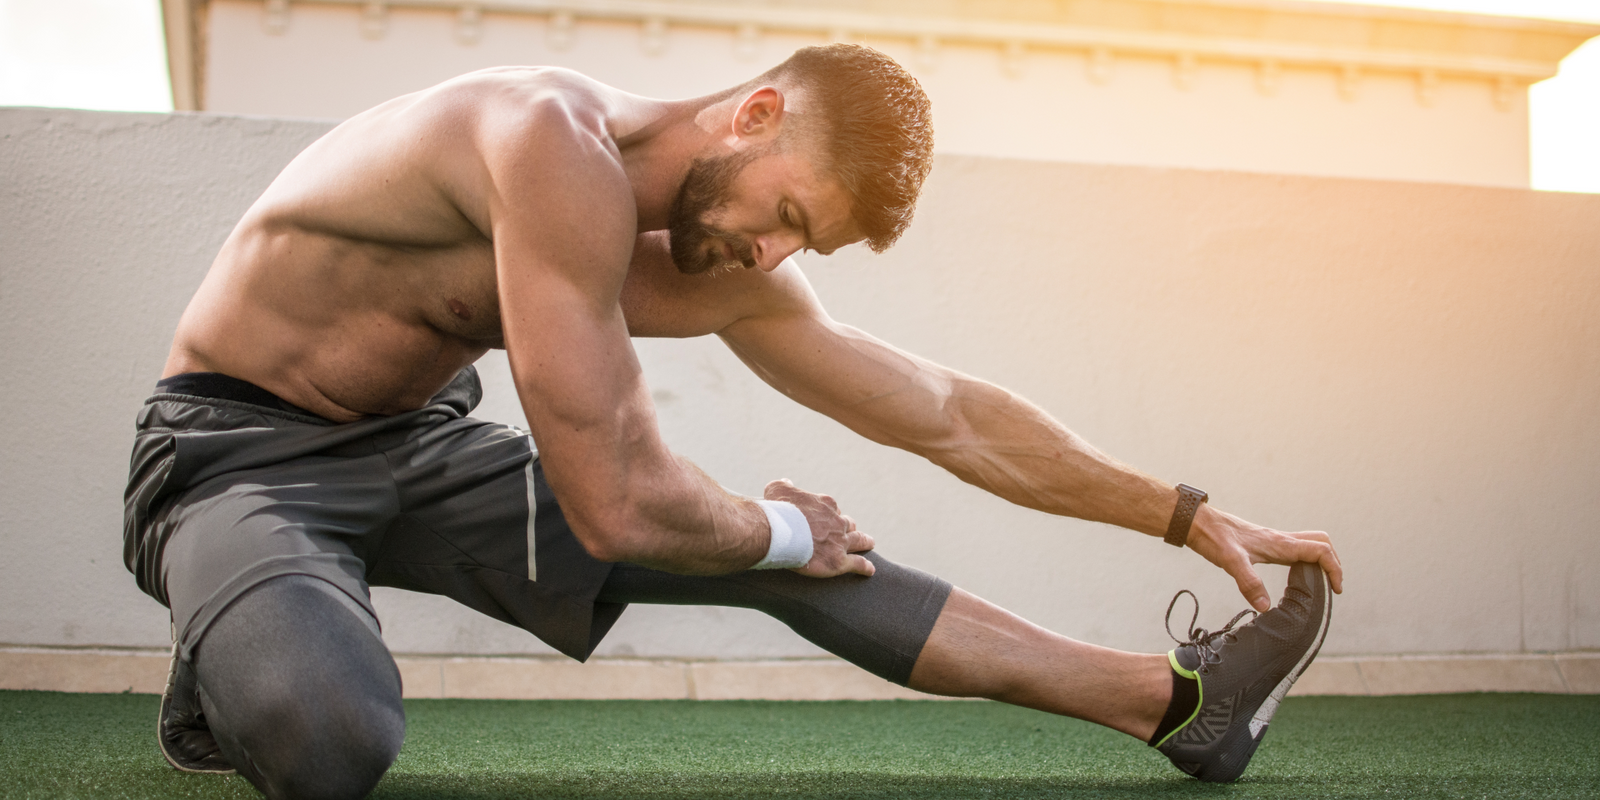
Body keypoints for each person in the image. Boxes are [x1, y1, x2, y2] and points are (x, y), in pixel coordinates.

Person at [124, 44, 1342, 800]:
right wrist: (768, 525)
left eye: (805, 244)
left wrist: (1184, 513)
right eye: (792, 213)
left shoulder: (724, 249)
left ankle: (1174, 701)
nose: (774, 252)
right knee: (332, 745)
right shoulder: (542, 140)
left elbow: (949, 416)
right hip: (241, 451)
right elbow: (615, 499)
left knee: (799, 551)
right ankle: (222, 663)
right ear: (755, 113)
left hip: (421, 444)